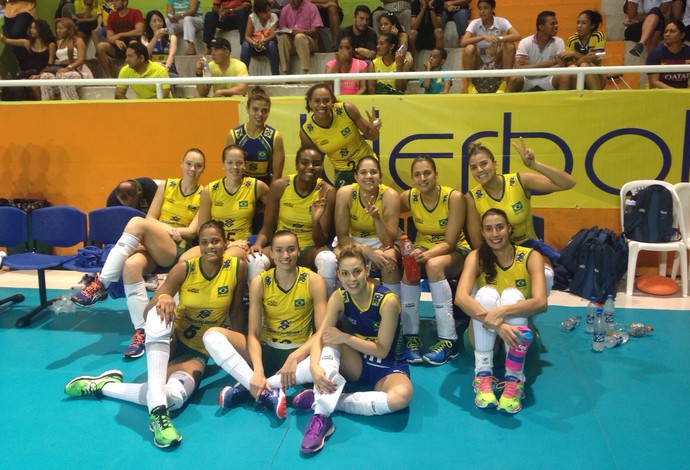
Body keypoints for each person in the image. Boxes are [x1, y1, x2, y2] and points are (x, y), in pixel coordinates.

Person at [64, 220, 246, 448]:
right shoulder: (184, 268)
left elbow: (237, 310)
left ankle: (104, 386)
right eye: (205, 242)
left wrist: (240, 352)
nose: (210, 247)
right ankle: (159, 416)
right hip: (172, 339)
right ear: (198, 245)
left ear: (225, 243)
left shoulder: (236, 267)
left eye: (216, 241)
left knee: (174, 398)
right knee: (159, 313)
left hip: (198, 350)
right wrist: (165, 297)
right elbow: (148, 311)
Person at [71, 149, 206, 360]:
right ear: (181, 163)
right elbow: (151, 218)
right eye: (189, 163)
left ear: (203, 169)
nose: (192, 169)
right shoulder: (166, 186)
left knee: (136, 222)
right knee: (130, 266)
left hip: (176, 246)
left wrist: (171, 230)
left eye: (198, 166)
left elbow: (193, 230)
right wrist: (164, 227)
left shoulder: (204, 194)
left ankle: (101, 283)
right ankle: (142, 331)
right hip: (156, 240)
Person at [297, 245, 413, 454]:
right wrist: (314, 367)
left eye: (357, 271)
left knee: (402, 397)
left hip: (389, 366)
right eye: (345, 273)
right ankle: (321, 417)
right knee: (331, 338)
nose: (351, 279)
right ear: (338, 275)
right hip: (357, 363)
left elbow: (382, 350)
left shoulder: (388, 301)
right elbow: (321, 336)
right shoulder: (339, 296)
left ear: (367, 270)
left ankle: (330, 402)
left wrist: (345, 337)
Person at [203, 229, 328, 418]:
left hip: (301, 355)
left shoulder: (313, 280)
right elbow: (253, 334)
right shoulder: (260, 282)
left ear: (298, 251)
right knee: (211, 335)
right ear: (272, 254)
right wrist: (258, 369)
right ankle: (263, 389)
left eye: (291, 249)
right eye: (279, 250)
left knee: (331, 356)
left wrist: (294, 357)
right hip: (267, 351)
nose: (285, 255)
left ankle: (249, 389)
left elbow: (322, 331)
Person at [454, 208, 547, 414]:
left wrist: (503, 311)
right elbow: (460, 298)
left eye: (499, 227)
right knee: (486, 294)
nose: (495, 234)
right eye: (489, 229)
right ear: (483, 233)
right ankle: (482, 374)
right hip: (481, 340)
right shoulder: (476, 257)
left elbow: (541, 302)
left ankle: (515, 379)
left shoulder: (531, 256)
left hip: (519, 343)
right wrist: (499, 325)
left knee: (512, 296)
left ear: (509, 229)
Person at [465, 138, 576, 294]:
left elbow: (568, 183)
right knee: (483, 292)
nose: (480, 170)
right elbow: (477, 242)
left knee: (546, 275)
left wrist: (534, 165)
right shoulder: (471, 197)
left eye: (484, 164)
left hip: (528, 249)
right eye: (474, 167)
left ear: (495, 164)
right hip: (493, 253)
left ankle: (532, 307)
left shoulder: (519, 181)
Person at [399, 155, 471, 366]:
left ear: (436, 174)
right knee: (409, 268)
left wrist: (427, 254)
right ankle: (410, 336)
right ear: (412, 178)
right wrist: (399, 239)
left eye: (427, 173)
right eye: (417, 175)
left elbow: (449, 242)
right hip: (423, 249)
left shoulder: (453, 197)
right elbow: (387, 207)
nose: (423, 178)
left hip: (455, 251)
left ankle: (449, 340)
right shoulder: (409, 197)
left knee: (434, 265)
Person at [182, 144, 270, 297]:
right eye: (230, 162)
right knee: (183, 261)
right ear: (223, 164)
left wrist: (261, 237)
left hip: (242, 243)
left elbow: (275, 210)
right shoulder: (210, 190)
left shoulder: (256, 186)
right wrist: (226, 243)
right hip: (215, 241)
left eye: (239, 163)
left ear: (245, 165)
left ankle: (223, 302)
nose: (234, 167)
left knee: (226, 259)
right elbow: (202, 229)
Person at [250, 145, 337, 295]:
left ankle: (326, 305)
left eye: (316, 163)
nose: (310, 167)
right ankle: (258, 307)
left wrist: (315, 220)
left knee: (328, 259)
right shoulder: (280, 187)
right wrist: (258, 244)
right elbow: (267, 229)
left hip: (308, 248)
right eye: (304, 162)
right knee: (254, 260)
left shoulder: (327, 191)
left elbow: (320, 240)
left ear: (321, 167)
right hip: (282, 247)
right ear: (296, 165)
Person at [334, 156, 401, 298]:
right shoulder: (344, 193)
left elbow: (388, 242)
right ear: (356, 177)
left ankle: (393, 305)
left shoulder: (390, 196)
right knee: (336, 258)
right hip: (353, 240)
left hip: (380, 241)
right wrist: (367, 251)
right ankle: (343, 305)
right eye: (363, 172)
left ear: (380, 176)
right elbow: (342, 236)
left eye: (373, 172)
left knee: (389, 259)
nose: (369, 176)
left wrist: (377, 218)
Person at [300, 83, 381, 188]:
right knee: (344, 198)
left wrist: (374, 129)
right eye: (317, 101)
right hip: (342, 171)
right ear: (310, 103)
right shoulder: (307, 132)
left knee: (372, 196)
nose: (322, 105)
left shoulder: (347, 110)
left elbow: (373, 137)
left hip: (367, 164)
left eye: (326, 100)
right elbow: (312, 163)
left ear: (332, 102)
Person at [227, 87, 286, 187]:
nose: (260, 114)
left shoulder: (275, 138)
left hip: (266, 190)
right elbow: (230, 170)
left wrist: (269, 195)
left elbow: (277, 174)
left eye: (264, 110)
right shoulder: (234, 136)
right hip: (240, 191)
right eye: (255, 109)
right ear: (247, 109)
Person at [460, 0, 519, 93]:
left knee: (509, 46)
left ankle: (504, 83)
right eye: (480, 8)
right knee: (469, 48)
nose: (482, 11)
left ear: (492, 9)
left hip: (496, 60)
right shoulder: (474, 23)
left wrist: (498, 39)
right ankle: (470, 85)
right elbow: (463, 42)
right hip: (479, 61)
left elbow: (517, 35)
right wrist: (483, 37)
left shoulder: (501, 21)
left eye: (486, 8)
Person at [506, 11, 570, 93]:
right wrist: (549, 63)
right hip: (527, 80)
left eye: (556, 23)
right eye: (552, 24)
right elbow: (518, 68)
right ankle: (503, 101)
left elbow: (561, 66)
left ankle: (562, 101)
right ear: (541, 27)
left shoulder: (559, 41)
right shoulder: (525, 42)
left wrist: (529, 66)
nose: (556, 26)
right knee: (514, 78)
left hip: (548, 79)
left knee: (564, 76)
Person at [37, 18, 94, 100]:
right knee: (45, 77)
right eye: (57, 28)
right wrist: (40, 74)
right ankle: (48, 104)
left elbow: (81, 60)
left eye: (61, 28)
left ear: (69, 30)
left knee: (64, 76)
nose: (58, 31)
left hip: (79, 71)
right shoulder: (59, 42)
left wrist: (69, 67)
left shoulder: (78, 40)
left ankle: (70, 104)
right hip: (63, 70)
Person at [0, 19, 56, 100]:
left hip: (44, 74)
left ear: (41, 30)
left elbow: (50, 65)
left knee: (34, 86)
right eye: (31, 28)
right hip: (30, 73)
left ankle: (41, 105)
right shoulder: (27, 43)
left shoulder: (51, 45)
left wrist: (39, 76)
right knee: (15, 85)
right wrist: (2, 37)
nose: (31, 30)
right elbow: (6, 40)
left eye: (34, 28)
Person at [96, 0, 145, 78]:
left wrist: (120, 35)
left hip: (133, 44)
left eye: (116, 1)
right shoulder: (112, 16)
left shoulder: (135, 12)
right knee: (100, 46)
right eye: (113, 1)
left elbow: (139, 31)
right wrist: (115, 41)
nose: (113, 3)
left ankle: (135, 75)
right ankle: (110, 77)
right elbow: (109, 36)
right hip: (118, 46)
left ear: (124, 2)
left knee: (133, 44)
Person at [560, 10, 606, 90]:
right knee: (573, 68)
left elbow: (597, 60)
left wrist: (575, 54)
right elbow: (569, 64)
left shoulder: (599, 36)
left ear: (592, 26)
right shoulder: (571, 40)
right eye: (578, 22)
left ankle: (597, 96)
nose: (579, 26)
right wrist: (585, 59)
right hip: (578, 77)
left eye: (583, 23)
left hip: (598, 76)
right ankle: (578, 97)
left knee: (584, 65)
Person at [276, 0, 323, 75]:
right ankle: (285, 71)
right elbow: (282, 28)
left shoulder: (311, 7)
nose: (292, 1)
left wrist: (303, 32)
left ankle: (306, 71)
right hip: (292, 41)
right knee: (283, 38)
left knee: (299, 37)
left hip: (308, 41)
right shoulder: (285, 9)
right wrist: (289, 32)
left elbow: (316, 30)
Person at [646, 20, 690, 88]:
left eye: (672, 31)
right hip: (660, 91)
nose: (667, 34)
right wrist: (676, 93)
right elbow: (654, 82)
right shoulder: (655, 53)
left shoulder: (688, 52)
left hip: (683, 91)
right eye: (665, 32)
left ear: (682, 35)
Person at [240, 0, 279, 76]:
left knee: (271, 44)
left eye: (269, 10)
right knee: (245, 45)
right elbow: (247, 36)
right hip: (255, 45)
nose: (269, 13)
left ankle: (275, 74)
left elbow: (272, 35)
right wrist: (254, 43)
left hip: (267, 44)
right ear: (258, 13)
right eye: (265, 12)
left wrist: (265, 40)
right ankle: (243, 74)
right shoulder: (252, 17)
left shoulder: (274, 16)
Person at [141, 9, 178, 76]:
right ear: (149, 23)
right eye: (154, 21)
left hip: (168, 70)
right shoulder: (144, 38)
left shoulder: (172, 37)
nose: (158, 23)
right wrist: (155, 38)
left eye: (160, 21)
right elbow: (147, 53)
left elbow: (172, 55)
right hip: (152, 70)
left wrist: (166, 69)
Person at [0, 0, 35, 68]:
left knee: (16, 34)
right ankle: (24, 67)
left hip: (25, 9)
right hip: (8, 11)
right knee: (13, 41)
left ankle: (31, 62)